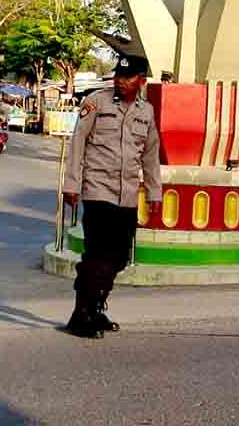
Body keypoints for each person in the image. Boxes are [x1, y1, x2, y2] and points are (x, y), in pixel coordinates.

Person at [62, 54, 162, 339]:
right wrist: (72, 184)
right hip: (97, 189)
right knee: (98, 255)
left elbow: (151, 154)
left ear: (141, 81)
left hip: (128, 194)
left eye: (127, 77)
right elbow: (77, 143)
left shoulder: (147, 112)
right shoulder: (96, 102)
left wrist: (155, 192)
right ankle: (83, 313)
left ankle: (93, 307)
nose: (120, 80)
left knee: (118, 258)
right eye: (118, 75)